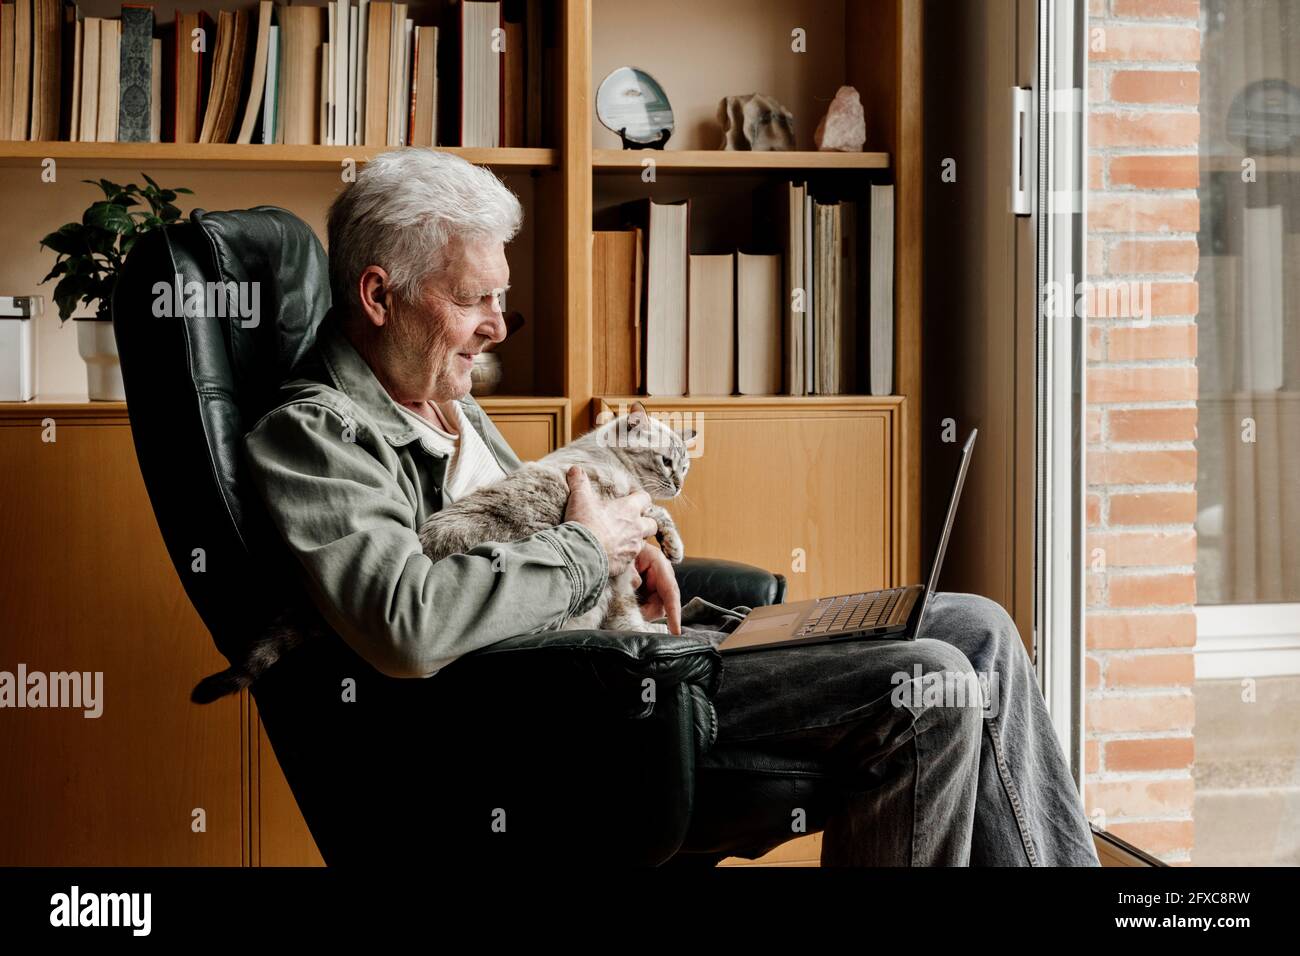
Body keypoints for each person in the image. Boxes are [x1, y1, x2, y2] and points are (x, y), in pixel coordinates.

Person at [242, 148, 1101, 866]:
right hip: (578, 709)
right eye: (474, 299)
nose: (500, 326)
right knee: (933, 687)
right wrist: (587, 550)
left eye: (501, 298)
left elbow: (521, 533)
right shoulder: (316, 436)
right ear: (379, 295)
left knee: (976, 629)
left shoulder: (441, 397)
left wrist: (624, 562)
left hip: (630, 649)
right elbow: (407, 625)